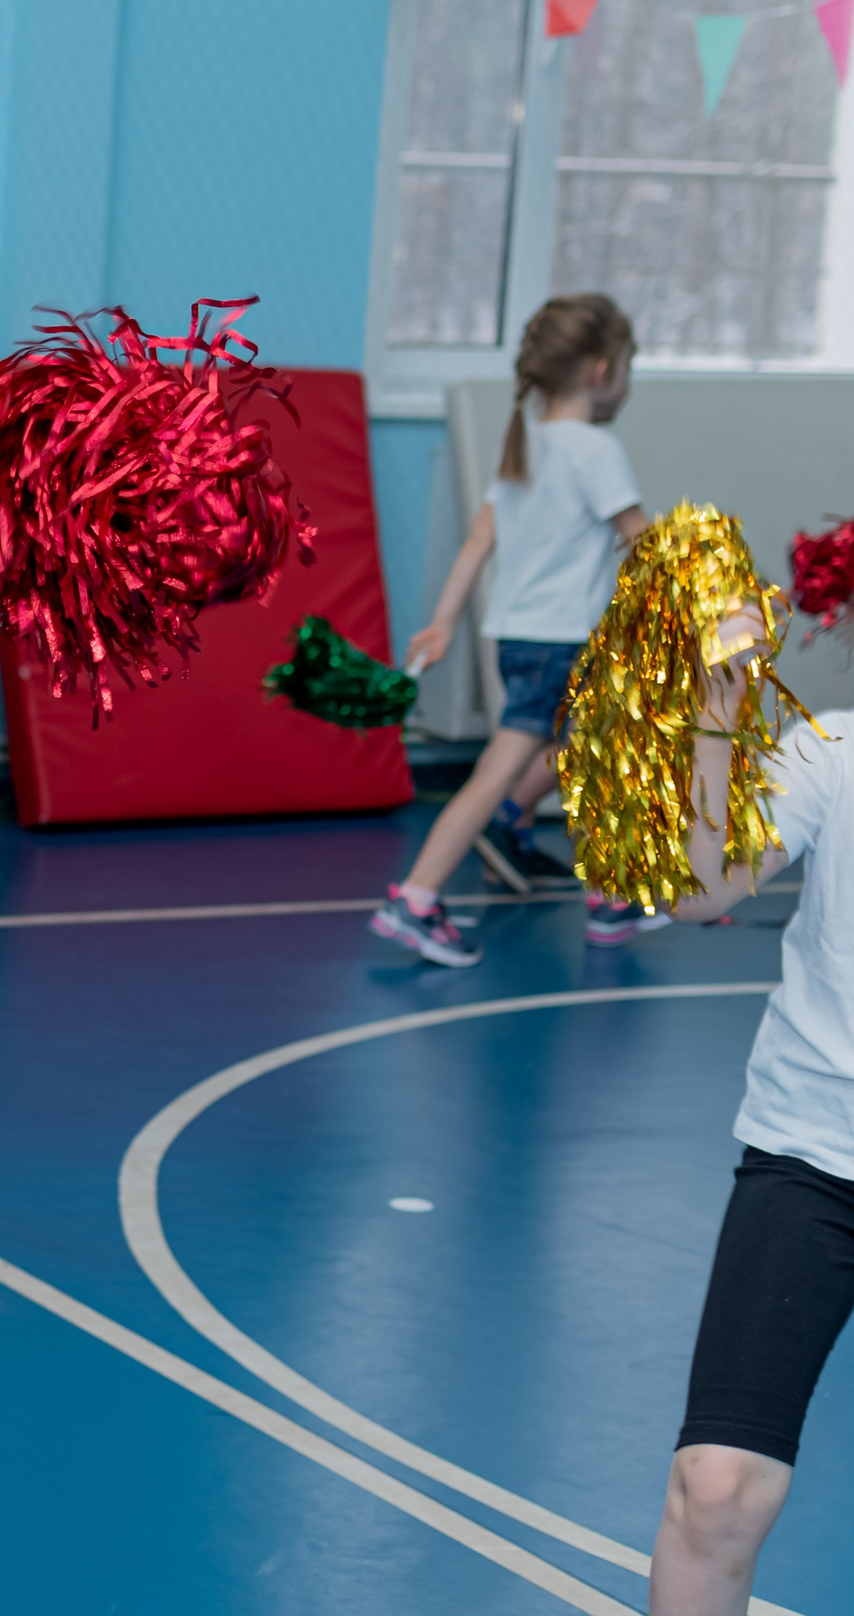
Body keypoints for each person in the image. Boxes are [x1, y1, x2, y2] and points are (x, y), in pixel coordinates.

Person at [646, 637, 847, 1616]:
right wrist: (715, 727)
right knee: (715, 1490)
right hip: (815, 1157)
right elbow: (697, 892)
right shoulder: (829, 751)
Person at [370, 293, 650, 968]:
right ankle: (417, 896)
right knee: (519, 769)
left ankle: (603, 894)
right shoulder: (593, 449)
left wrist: (440, 624)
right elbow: (644, 540)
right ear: (602, 370)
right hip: (564, 642)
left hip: (517, 639)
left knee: (588, 753)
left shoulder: (525, 445)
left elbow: (477, 543)